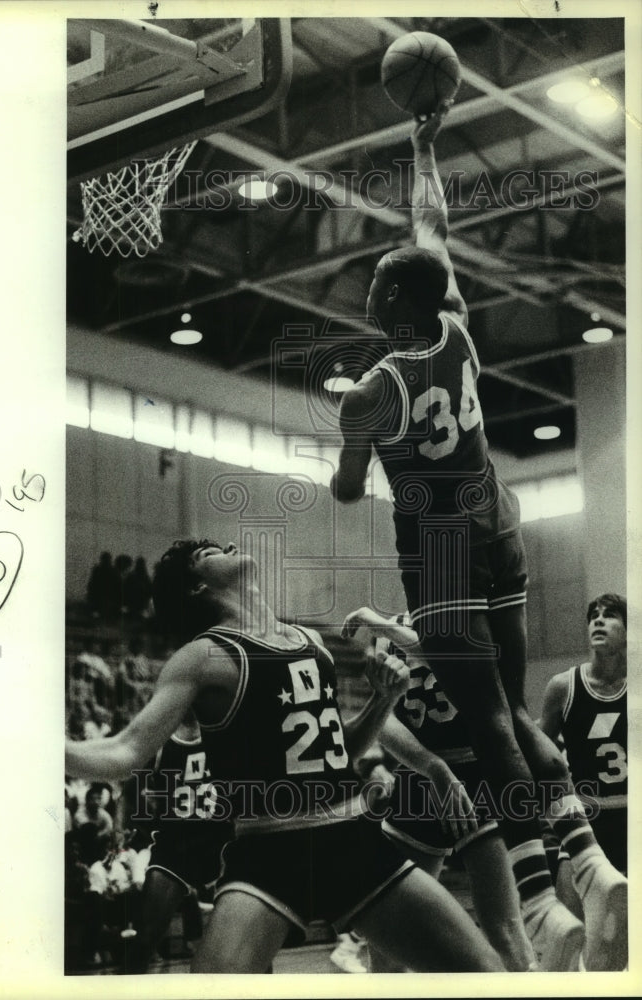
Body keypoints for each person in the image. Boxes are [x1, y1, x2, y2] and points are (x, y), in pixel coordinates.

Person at [329, 106, 627, 972]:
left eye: (379, 284)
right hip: (500, 523)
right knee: (506, 700)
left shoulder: (370, 391)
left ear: (393, 300)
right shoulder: (456, 321)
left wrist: (360, 442)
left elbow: (349, 490)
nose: (370, 290)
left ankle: (549, 894)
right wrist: (423, 142)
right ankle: (587, 867)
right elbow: (430, 224)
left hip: (443, 549)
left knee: (490, 724)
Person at [66, 538, 504, 974]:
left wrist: (382, 700)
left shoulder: (311, 640)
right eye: (210, 553)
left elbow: (339, 752)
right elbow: (126, 751)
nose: (231, 545)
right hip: (270, 848)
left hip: (351, 838)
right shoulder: (202, 656)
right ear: (197, 587)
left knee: (486, 971)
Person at [343, 606, 536, 972]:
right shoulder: (391, 630)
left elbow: (456, 663)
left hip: (479, 773)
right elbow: (383, 719)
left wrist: (381, 624)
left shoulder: (478, 615)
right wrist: (432, 767)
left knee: (505, 930)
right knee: (387, 944)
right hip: (419, 775)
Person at [539, 593, 628, 929]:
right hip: (585, 820)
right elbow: (539, 757)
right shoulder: (563, 687)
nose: (598, 620)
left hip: (632, 817)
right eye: (593, 615)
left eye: (610, 615)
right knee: (574, 930)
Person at [121, 713, 233, 973]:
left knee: (250, 945)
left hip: (222, 843)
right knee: (146, 937)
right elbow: (129, 792)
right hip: (175, 846)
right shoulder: (159, 743)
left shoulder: (224, 734)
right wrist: (134, 826)